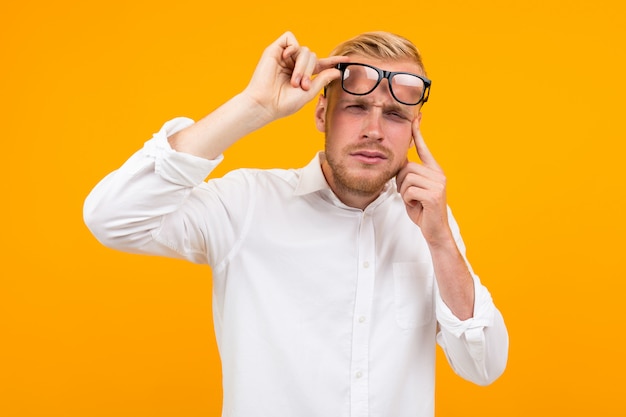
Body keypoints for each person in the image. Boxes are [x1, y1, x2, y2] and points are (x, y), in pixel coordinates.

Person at [84, 31, 508, 417]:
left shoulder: (429, 225)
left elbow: (483, 365)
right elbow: (112, 217)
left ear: (415, 129)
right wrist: (254, 106)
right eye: (357, 107)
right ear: (321, 114)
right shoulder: (247, 205)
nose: (375, 130)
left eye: (395, 115)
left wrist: (440, 242)